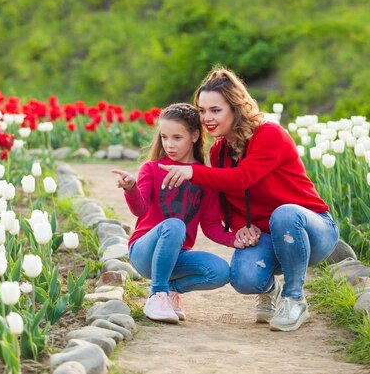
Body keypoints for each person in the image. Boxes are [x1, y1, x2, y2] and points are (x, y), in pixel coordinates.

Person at [159, 67, 339, 332]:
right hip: (266, 235)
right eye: (202, 110)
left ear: (236, 108)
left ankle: (294, 298)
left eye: (215, 110)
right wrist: (241, 229)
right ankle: (269, 290)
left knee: (285, 214)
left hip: (311, 230)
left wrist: (193, 172)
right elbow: (228, 200)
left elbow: (243, 178)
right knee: (244, 279)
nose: (206, 118)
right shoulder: (220, 151)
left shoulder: (269, 135)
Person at [112, 103, 255, 324]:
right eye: (165, 137)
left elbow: (211, 226)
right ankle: (156, 295)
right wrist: (131, 188)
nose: (169, 144)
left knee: (220, 272)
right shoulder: (151, 168)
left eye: (177, 138)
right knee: (175, 225)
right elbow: (139, 209)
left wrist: (234, 240)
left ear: (195, 136)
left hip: (175, 257)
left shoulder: (205, 178)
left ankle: (170, 290)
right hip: (144, 251)